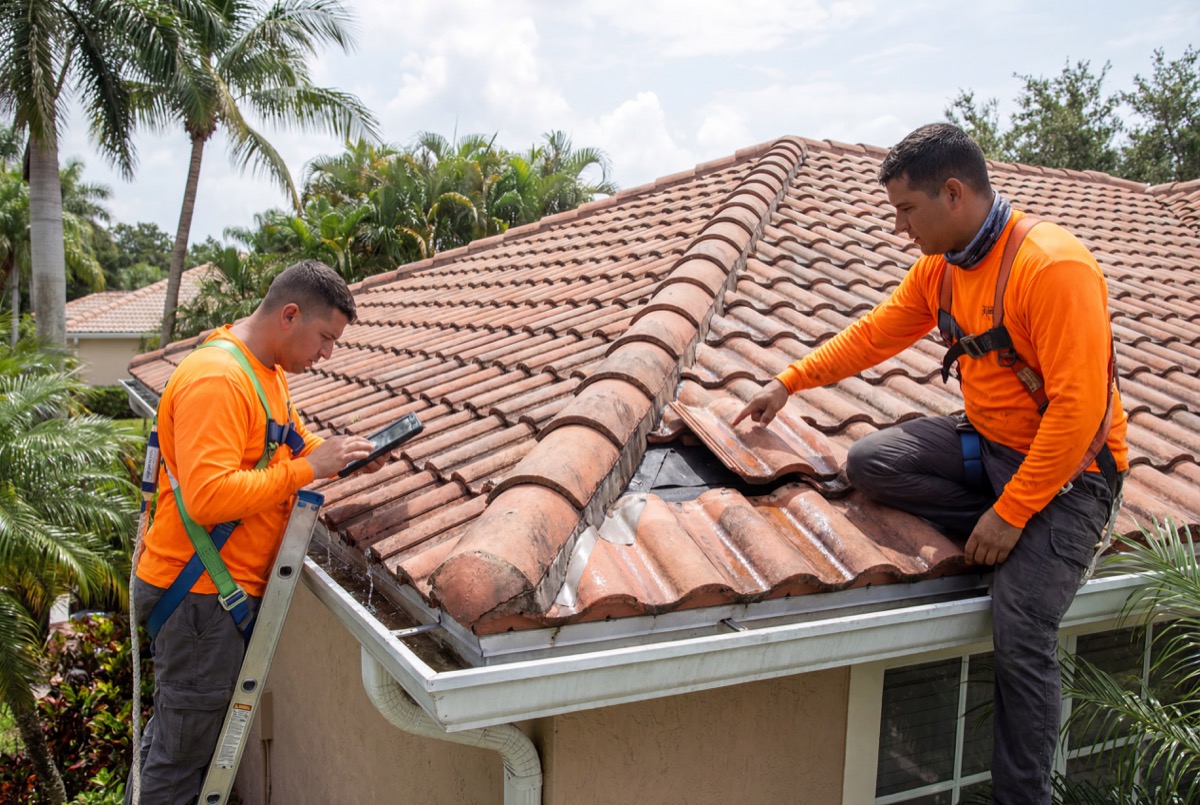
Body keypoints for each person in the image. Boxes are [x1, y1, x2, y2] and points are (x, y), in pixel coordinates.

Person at [734, 123, 1128, 803]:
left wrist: (1010, 515)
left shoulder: (1051, 266)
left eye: (906, 211)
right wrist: (789, 380)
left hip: (1072, 477)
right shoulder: (940, 272)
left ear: (953, 193)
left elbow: (1079, 415)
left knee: (1020, 618)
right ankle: (1001, 529)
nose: (899, 228)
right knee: (869, 461)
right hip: (988, 448)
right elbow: (872, 336)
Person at [128, 259, 385, 804]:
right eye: (324, 338)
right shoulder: (218, 380)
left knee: (174, 740)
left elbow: (288, 441)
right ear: (289, 315)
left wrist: (339, 457)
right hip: (197, 597)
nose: (327, 354)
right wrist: (309, 471)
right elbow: (208, 497)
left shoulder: (263, 372)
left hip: (208, 597)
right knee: (180, 763)